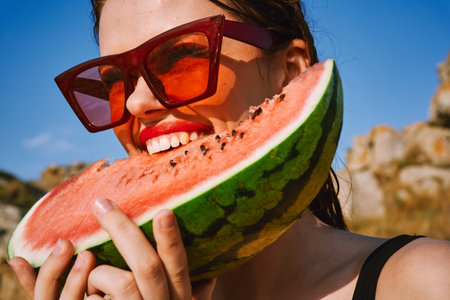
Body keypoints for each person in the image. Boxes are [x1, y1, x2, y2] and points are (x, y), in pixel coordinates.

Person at [8, 0, 450, 299]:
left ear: (289, 72)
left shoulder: (425, 282)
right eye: (113, 81)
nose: (138, 103)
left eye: (182, 56)